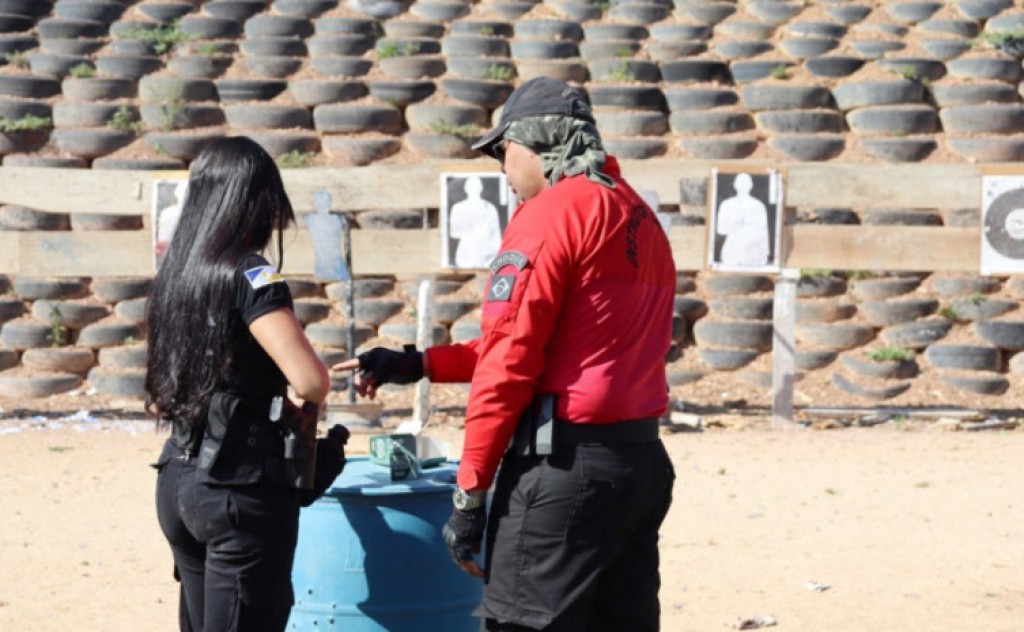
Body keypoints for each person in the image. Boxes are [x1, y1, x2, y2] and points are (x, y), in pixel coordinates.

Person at [334, 77, 677, 631]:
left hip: (564, 471)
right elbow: (546, 345)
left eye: (502, 150)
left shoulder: (550, 214)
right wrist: (415, 363)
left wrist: (470, 494)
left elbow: (508, 364)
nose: (500, 168)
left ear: (538, 143)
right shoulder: (637, 214)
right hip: (637, 464)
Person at [146, 137, 348, 632]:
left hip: (178, 476)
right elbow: (311, 382)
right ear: (254, 200)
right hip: (237, 486)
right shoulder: (251, 272)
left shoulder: (177, 271)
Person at [716, 172, 770, 267]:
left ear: (751, 185)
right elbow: (721, 230)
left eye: (746, 182)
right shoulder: (726, 205)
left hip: (752, 252)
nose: (744, 184)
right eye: (740, 182)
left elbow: (763, 232)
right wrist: (735, 225)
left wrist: (764, 252)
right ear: (735, 185)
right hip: (732, 252)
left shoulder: (758, 206)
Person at [449, 175, 503, 268]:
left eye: (476, 186)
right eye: (471, 186)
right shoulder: (459, 208)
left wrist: (497, 256)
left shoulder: (489, 208)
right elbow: (454, 232)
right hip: (466, 256)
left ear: (481, 188)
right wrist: (474, 231)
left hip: (487, 256)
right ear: (466, 188)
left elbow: (496, 235)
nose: (474, 189)